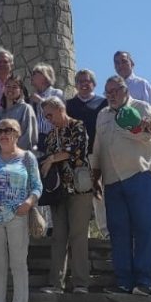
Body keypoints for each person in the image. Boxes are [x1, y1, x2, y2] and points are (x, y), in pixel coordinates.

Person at [91, 75, 151, 296]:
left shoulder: (141, 107)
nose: (111, 95)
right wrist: (95, 175)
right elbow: (98, 145)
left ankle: (144, 281)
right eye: (108, 92)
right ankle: (123, 281)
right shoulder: (102, 115)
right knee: (118, 232)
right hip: (112, 181)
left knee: (144, 230)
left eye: (115, 90)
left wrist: (149, 125)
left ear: (125, 90)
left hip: (140, 175)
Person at [0, 118, 41, 302]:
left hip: (18, 216)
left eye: (8, 130)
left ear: (17, 133)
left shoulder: (28, 157)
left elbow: (37, 186)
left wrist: (29, 203)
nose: (3, 134)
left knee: (19, 264)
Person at [39, 97, 92, 294]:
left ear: (60, 108)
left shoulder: (77, 125)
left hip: (79, 188)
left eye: (50, 114)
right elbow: (47, 159)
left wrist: (52, 158)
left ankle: (80, 283)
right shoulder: (51, 135)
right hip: (58, 191)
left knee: (78, 236)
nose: (49, 119)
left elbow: (76, 150)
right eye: (46, 117)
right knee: (58, 236)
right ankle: (56, 283)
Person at [65, 68, 107, 237]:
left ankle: (106, 232)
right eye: (80, 81)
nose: (84, 84)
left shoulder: (103, 103)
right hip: (76, 157)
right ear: (76, 84)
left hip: (97, 154)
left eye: (87, 81)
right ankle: (83, 234)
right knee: (79, 197)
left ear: (94, 84)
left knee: (99, 195)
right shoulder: (69, 105)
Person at [0, 76, 37, 152]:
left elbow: (28, 136)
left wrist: (13, 153)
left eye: (14, 87)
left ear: (21, 91)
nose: (10, 89)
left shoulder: (25, 108)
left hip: (19, 157)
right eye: (8, 86)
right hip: (1, 158)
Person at [28, 63, 64, 148]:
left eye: (34, 74)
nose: (31, 76)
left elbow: (58, 113)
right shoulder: (32, 98)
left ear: (44, 77)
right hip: (36, 142)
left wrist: (41, 101)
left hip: (52, 138)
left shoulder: (56, 93)